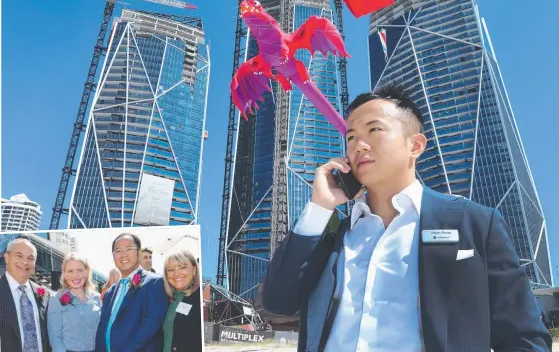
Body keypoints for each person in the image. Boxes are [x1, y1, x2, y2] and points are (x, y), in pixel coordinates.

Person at [260, 85, 552, 352]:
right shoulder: (331, 234)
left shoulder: (474, 223)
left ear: (415, 146)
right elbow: (277, 301)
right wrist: (321, 207)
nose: (358, 144)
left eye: (374, 130)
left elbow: (523, 337)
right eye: (351, 137)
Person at [95, 233, 168, 352]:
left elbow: (150, 326)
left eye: (128, 249)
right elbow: (102, 328)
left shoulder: (155, 283)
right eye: (118, 251)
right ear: (113, 256)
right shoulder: (109, 293)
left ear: (139, 253)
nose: (123, 254)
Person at [0, 238, 51, 352]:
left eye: (30, 258)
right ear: (7, 258)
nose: (25, 262)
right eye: (19, 255)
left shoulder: (44, 294)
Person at [47, 253, 101, 352]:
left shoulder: (96, 297)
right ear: (64, 274)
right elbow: (55, 338)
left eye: (80, 270)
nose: (75, 276)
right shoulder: (56, 299)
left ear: (86, 272)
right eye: (70, 271)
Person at [162, 250, 202, 352]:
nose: (176, 273)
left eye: (182, 267)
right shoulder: (165, 299)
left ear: (194, 270)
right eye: (170, 270)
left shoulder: (200, 299)